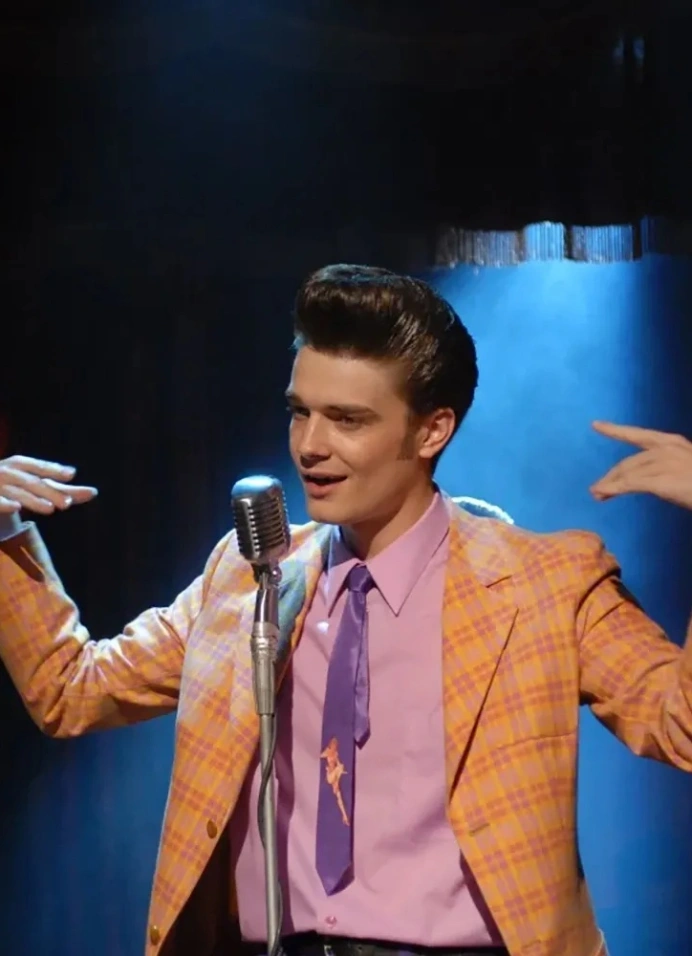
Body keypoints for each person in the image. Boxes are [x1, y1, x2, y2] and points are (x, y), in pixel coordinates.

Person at [1, 264, 692, 956]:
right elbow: (71, 691)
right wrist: (4, 531)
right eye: (300, 412)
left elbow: (680, 728)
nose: (310, 446)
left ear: (432, 430)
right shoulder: (246, 579)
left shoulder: (546, 584)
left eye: (347, 420)